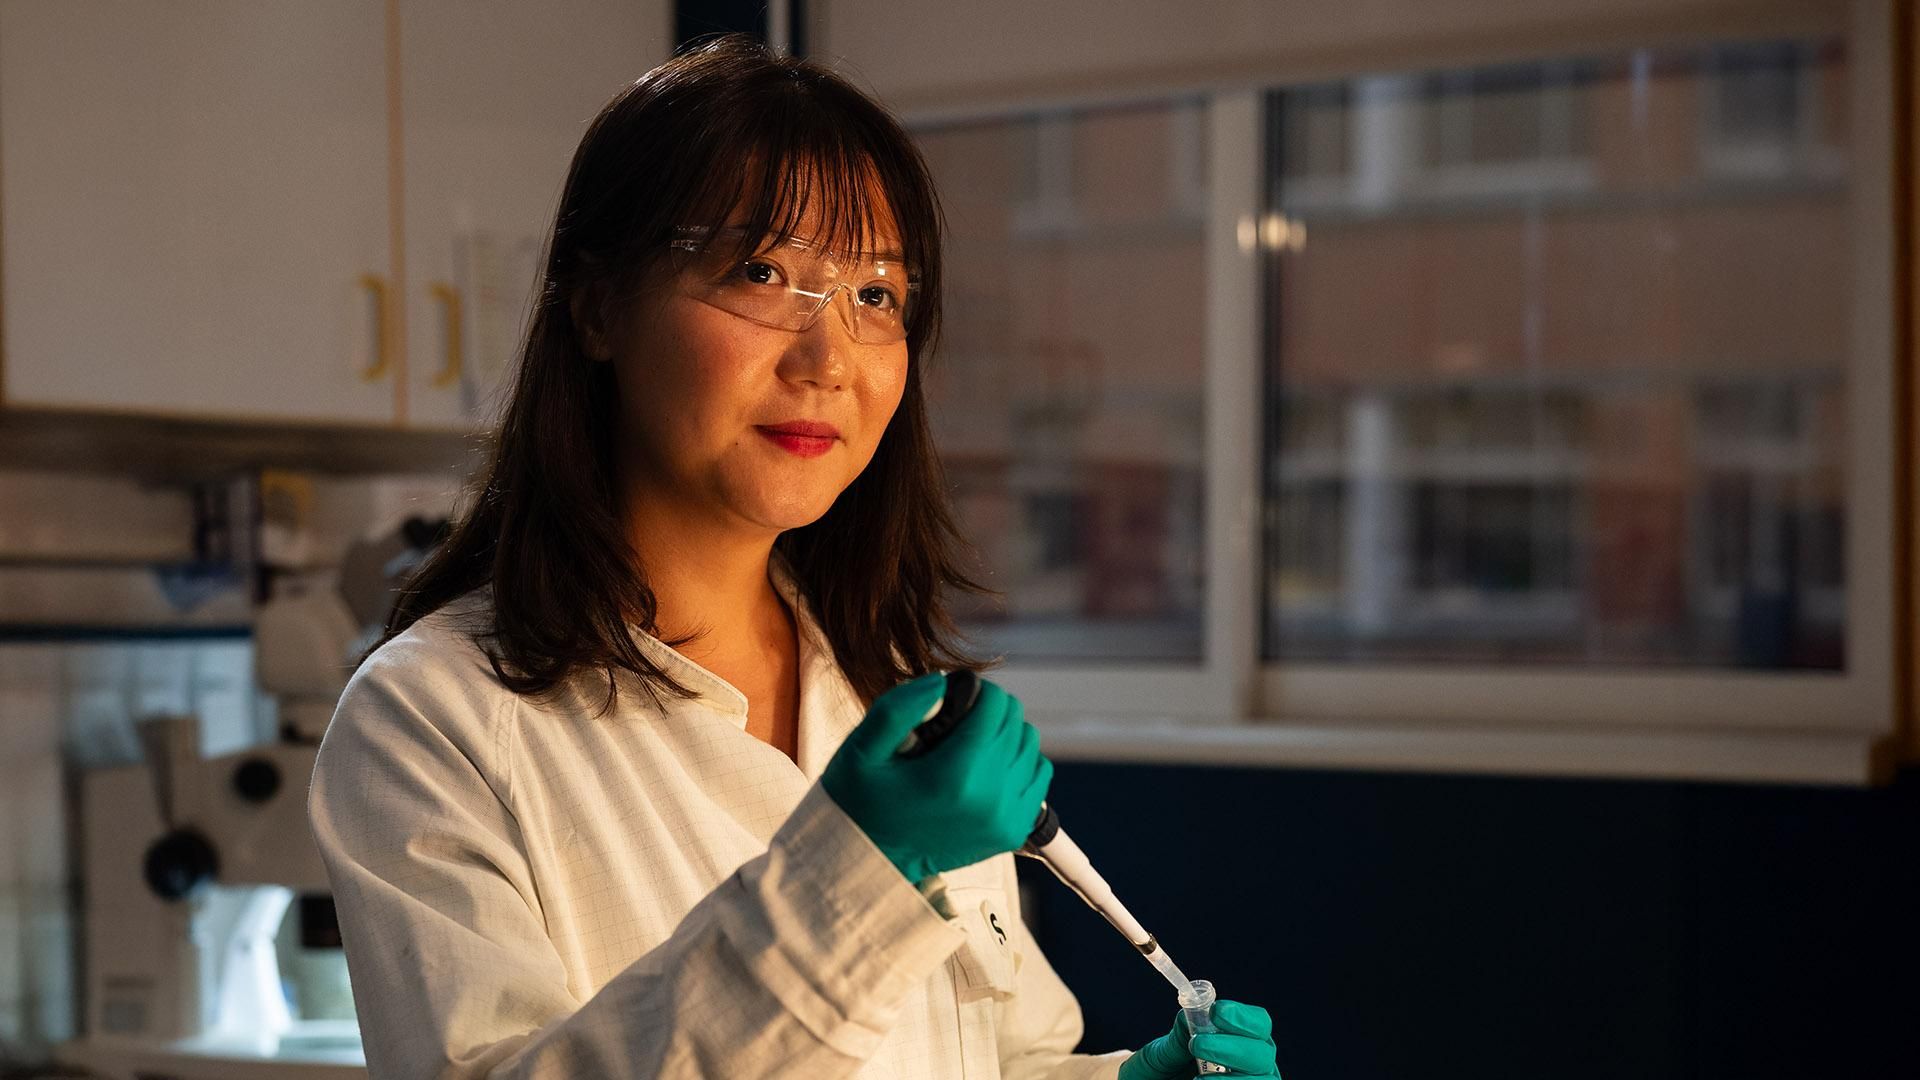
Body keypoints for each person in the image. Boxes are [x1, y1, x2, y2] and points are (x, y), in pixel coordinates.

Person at [307, 35, 1281, 1080]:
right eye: (762, 272)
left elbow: (987, 1060)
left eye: (877, 296)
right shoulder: (434, 720)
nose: (828, 360)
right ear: (597, 306)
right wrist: (857, 876)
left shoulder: (885, 692)